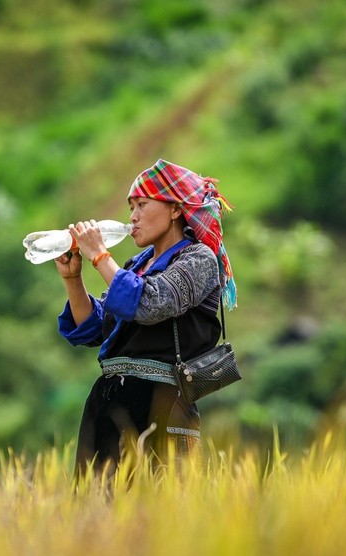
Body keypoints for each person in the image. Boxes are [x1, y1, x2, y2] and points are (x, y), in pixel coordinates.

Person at [55, 158, 237, 476]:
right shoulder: (133, 266)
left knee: (158, 512)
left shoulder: (199, 259)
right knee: (97, 515)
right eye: (131, 207)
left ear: (176, 210)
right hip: (108, 403)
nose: (133, 217)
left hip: (162, 404)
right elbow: (96, 327)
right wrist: (73, 279)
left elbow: (153, 302)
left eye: (142, 204)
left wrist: (100, 255)